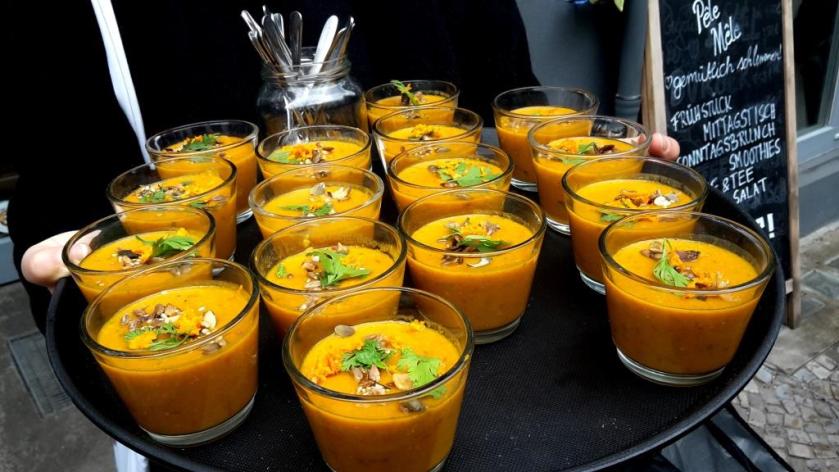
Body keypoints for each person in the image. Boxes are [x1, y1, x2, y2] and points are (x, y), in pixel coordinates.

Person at [9, 1, 679, 470]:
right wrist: (65, 262)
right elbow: (59, 205)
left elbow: (511, 111)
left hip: (531, 391)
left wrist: (589, 164)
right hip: (211, 424)